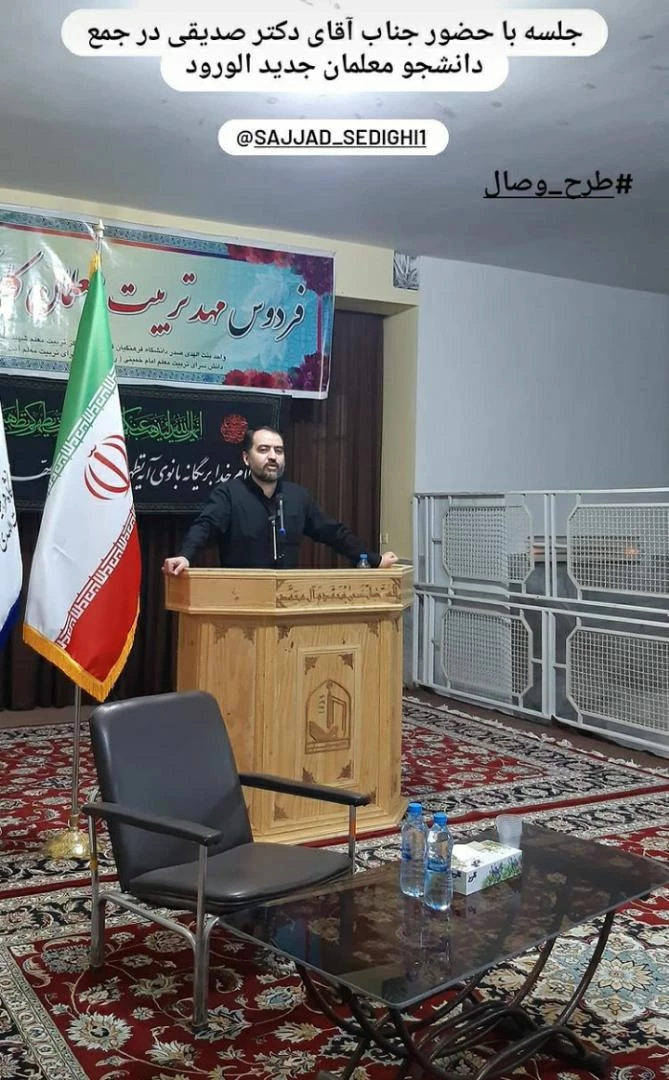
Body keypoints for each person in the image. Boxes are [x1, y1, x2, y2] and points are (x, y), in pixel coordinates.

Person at [162, 426, 399, 574]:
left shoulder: (297, 497)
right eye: (263, 449)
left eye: (279, 450)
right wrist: (185, 555)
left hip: (287, 601)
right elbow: (205, 527)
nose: (273, 456)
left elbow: (333, 532)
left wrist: (374, 560)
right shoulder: (228, 494)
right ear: (246, 458)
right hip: (240, 599)